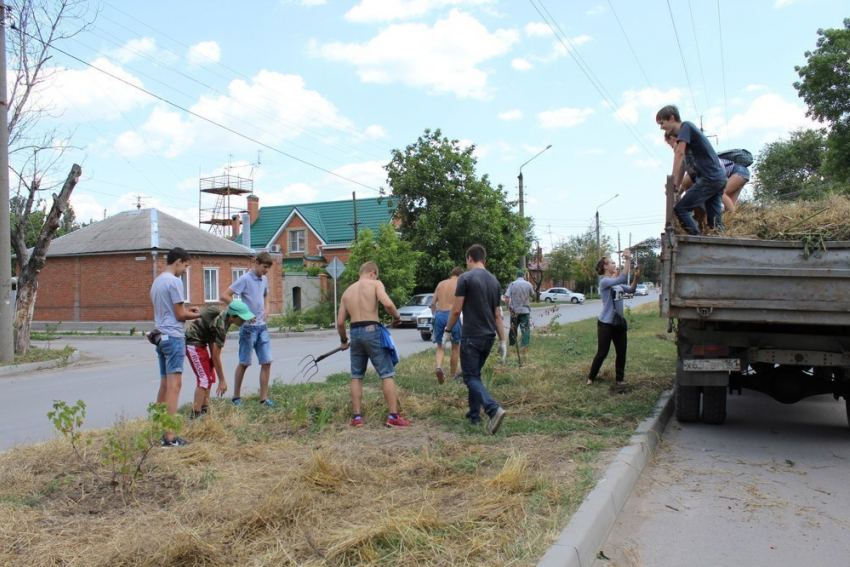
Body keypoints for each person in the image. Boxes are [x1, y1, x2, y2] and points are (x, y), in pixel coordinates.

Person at [337, 261, 410, 428]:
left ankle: (357, 418)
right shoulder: (375, 284)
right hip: (373, 331)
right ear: (372, 273)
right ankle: (393, 416)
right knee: (386, 374)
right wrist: (397, 318)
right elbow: (388, 304)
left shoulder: (347, 291)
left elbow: (340, 323)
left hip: (355, 333)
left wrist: (343, 341)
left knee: (356, 376)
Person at [445, 245, 508, 434]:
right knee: (475, 376)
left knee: (470, 377)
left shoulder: (465, 278)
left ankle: (492, 409)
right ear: (484, 260)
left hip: (472, 335)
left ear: (470, 258)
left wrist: (447, 330)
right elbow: (498, 315)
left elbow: (456, 310)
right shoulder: (494, 282)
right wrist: (503, 341)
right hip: (488, 338)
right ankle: (474, 415)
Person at [150, 247, 200, 448]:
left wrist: (189, 310)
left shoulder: (158, 281)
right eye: (186, 266)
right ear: (178, 261)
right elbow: (180, 315)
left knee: (164, 386)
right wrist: (199, 314)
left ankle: (160, 430)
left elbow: (172, 311)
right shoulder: (174, 281)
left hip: (161, 336)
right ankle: (170, 437)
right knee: (174, 386)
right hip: (174, 337)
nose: (185, 270)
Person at [656, 105, 727, 235]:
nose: (661, 128)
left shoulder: (686, 126)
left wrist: (671, 179)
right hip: (717, 178)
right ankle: (718, 245)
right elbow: (683, 165)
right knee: (714, 223)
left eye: (662, 123)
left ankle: (697, 240)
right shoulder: (686, 139)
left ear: (672, 118)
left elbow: (680, 153)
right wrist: (676, 184)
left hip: (710, 178)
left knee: (681, 209)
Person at [184, 300, 256, 419]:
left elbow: (213, 345)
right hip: (193, 343)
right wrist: (222, 380)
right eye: (242, 318)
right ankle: (194, 416)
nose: (244, 321)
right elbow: (217, 356)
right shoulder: (222, 326)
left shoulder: (224, 317)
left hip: (202, 343)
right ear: (233, 316)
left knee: (210, 375)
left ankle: (205, 409)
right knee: (204, 379)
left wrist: (212, 362)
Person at [221, 251, 275, 407]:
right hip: (248, 328)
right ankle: (236, 397)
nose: (266, 270)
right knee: (244, 362)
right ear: (256, 263)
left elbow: (265, 295)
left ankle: (263, 399)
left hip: (262, 327)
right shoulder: (245, 279)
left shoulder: (264, 279)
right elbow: (226, 295)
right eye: (264, 267)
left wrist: (266, 309)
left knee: (267, 362)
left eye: (268, 268)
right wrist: (241, 312)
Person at [586, 249, 640, 388]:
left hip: (619, 323)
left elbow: (632, 290)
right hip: (606, 323)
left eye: (614, 262)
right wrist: (627, 260)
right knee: (602, 352)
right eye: (612, 263)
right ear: (605, 266)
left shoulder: (616, 284)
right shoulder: (604, 282)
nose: (614, 264)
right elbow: (622, 277)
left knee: (621, 352)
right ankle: (591, 377)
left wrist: (636, 278)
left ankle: (620, 379)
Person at [430, 266, 464, 384]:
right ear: (460, 276)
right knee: (455, 347)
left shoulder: (440, 284)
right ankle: (452, 374)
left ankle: (439, 367)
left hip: (439, 314)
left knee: (441, 346)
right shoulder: (460, 284)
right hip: (452, 315)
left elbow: (433, 303)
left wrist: (435, 315)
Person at [504, 269, 534, 355]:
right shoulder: (528, 284)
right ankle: (524, 346)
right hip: (525, 311)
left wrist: (508, 307)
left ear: (516, 276)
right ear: (523, 276)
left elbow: (506, 298)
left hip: (514, 311)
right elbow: (532, 295)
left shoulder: (512, 284)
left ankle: (512, 344)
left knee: (513, 329)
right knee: (525, 329)